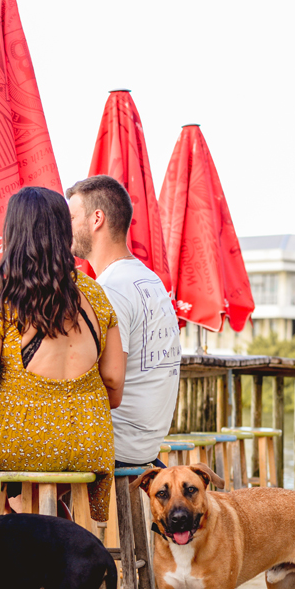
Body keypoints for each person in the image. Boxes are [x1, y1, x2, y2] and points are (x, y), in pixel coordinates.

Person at [0, 186, 126, 522]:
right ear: (64, 233)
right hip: (88, 438)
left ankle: (15, 529)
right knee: (40, 487)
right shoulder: (95, 294)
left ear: (12, 232)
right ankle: (49, 526)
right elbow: (113, 379)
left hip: (18, 437)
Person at [67, 175, 182, 469]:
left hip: (117, 444)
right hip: (147, 444)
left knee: (4, 450)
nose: (64, 227)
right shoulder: (149, 279)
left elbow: (109, 380)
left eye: (71, 217)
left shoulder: (110, 288)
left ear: (96, 219)